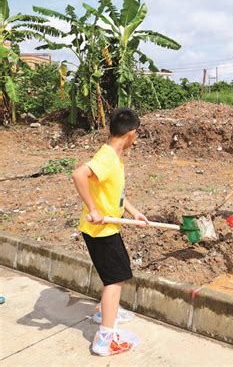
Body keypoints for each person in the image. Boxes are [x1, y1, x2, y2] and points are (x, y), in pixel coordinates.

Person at [72, 108, 147, 356]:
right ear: (131, 133)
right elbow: (78, 174)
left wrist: (133, 212)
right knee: (116, 279)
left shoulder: (115, 154)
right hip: (100, 230)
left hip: (106, 226)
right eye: (137, 135)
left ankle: (103, 310)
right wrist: (92, 209)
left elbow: (114, 192)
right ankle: (105, 338)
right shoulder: (108, 158)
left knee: (114, 273)